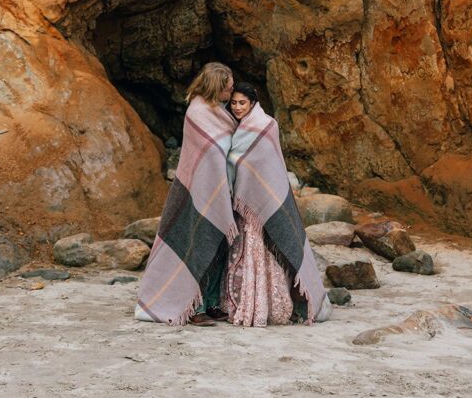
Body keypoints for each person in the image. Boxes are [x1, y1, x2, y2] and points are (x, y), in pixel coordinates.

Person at [135, 62, 236, 326]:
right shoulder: (198, 112)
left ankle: (213, 302)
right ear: (217, 86)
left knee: (220, 249)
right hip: (198, 192)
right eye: (228, 86)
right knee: (200, 247)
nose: (232, 89)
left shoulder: (221, 112)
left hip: (221, 190)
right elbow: (209, 152)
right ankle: (195, 307)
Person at [223, 83, 330, 326]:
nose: (238, 107)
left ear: (252, 103)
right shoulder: (233, 128)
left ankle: (273, 304)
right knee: (245, 253)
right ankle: (243, 302)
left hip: (262, 202)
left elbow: (269, 165)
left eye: (242, 103)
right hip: (242, 208)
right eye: (234, 103)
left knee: (269, 251)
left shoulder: (267, 125)